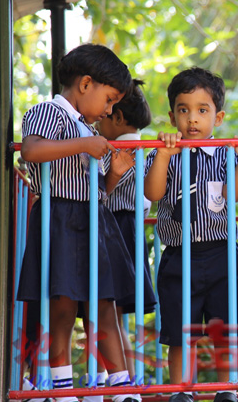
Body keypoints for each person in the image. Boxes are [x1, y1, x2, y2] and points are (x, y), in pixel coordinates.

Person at [16, 43, 141, 402]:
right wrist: (84, 145)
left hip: (92, 219)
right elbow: (32, 150)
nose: (110, 110)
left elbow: (96, 189)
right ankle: (62, 387)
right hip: (60, 218)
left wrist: (114, 175)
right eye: (109, 99)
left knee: (103, 302)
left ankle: (121, 385)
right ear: (86, 84)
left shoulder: (86, 127)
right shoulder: (49, 112)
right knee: (64, 305)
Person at [144, 67, 238, 402]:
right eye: (183, 110)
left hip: (221, 253)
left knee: (227, 327)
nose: (192, 118)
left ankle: (226, 389)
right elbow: (153, 193)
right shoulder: (161, 153)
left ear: (218, 117)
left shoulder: (226, 153)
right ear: (172, 117)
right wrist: (163, 156)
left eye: (202, 110)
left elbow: (232, 195)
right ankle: (182, 391)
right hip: (179, 255)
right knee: (180, 331)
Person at [81, 79, 156, 402]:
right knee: (114, 317)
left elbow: (99, 192)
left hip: (112, 228)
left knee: (101, 311)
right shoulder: (146, 150)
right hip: (131, 229)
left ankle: (108, 383)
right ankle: (124, 384)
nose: (101, 118)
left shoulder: (118, 150)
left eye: (107, 112)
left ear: (119, 117)